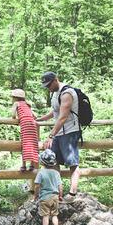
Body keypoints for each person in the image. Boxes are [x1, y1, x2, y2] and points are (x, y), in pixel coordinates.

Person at [36, 72, 80, 203]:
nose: (48, 88)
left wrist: (51, 135)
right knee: (53, 161)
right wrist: (41, 119)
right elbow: (55, 111)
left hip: (70, 132)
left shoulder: (67, 93)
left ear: (56, 80)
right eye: (46, 86)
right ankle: (55, 191)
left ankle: (72, 194)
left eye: (49, 84)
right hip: (59, 132)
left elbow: (63, 116)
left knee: (72, 163)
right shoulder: (55, 93)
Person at [34, 149, 63, 225]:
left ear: (42, 162)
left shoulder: (41, 173)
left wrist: (36, 195)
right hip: (55, 197)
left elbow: (37, 186)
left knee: (45, 215)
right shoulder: (56, 173)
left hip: (45, 198)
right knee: (55, 215)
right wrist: (60, 195)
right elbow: (60, 186)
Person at [11, 89, 39, 173]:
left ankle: (23, 166)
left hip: (24, 124)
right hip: (32, 124)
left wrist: (17, 119)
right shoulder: (27, 104)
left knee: (25, 143)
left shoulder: (16, 104)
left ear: (15, 98)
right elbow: (35, 116)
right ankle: (32, 165)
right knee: (33, 143)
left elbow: (13, 115)